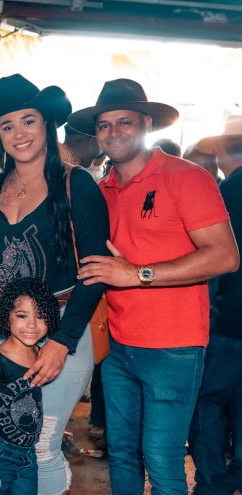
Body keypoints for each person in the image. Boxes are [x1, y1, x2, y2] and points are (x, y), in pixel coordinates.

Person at [69, 78, 239, 495]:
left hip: (173, 346)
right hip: (116, 344)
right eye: (104, 125)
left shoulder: (186, 176)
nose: (114, 133)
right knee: (123, 453)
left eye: (124, 122)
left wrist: (137, 274)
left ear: (146, 123)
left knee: (161, 461)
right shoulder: (101, 189)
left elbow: (225, 256)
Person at [0, 73, 110, 495]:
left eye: (28, 120)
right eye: (7, 125)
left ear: (47, 124)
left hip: (62, 326)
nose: (19, 133)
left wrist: (61, 342)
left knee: (42, 444)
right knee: (3, 441)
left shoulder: (76, 185)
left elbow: (96, 271)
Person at [188, 117, 242, 495]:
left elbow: (217, 261)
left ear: (223, 151)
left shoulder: (230, 191)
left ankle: (212, 483)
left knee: (207, 401)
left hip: (230, 318)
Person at [0, 278, 60, 495]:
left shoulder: (40, 354)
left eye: (41, 317)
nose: (31, 325)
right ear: (6, 315)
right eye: (22, 316)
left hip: (29, 454)